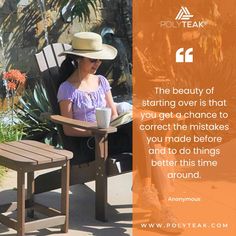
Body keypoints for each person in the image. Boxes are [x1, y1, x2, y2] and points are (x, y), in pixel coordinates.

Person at [57, 32, 182, 233]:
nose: (97, 63)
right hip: (90, 144)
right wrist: (95, 131)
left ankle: (156, 200)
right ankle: (158, 205)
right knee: (149, 143)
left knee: (142, 131)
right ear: (78, 59)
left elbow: (114, 114)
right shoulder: (67, 89)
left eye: (99, 59)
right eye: (92, 59)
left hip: (110, 136)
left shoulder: (101, 81)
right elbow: (68, 128)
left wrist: (117, 121)